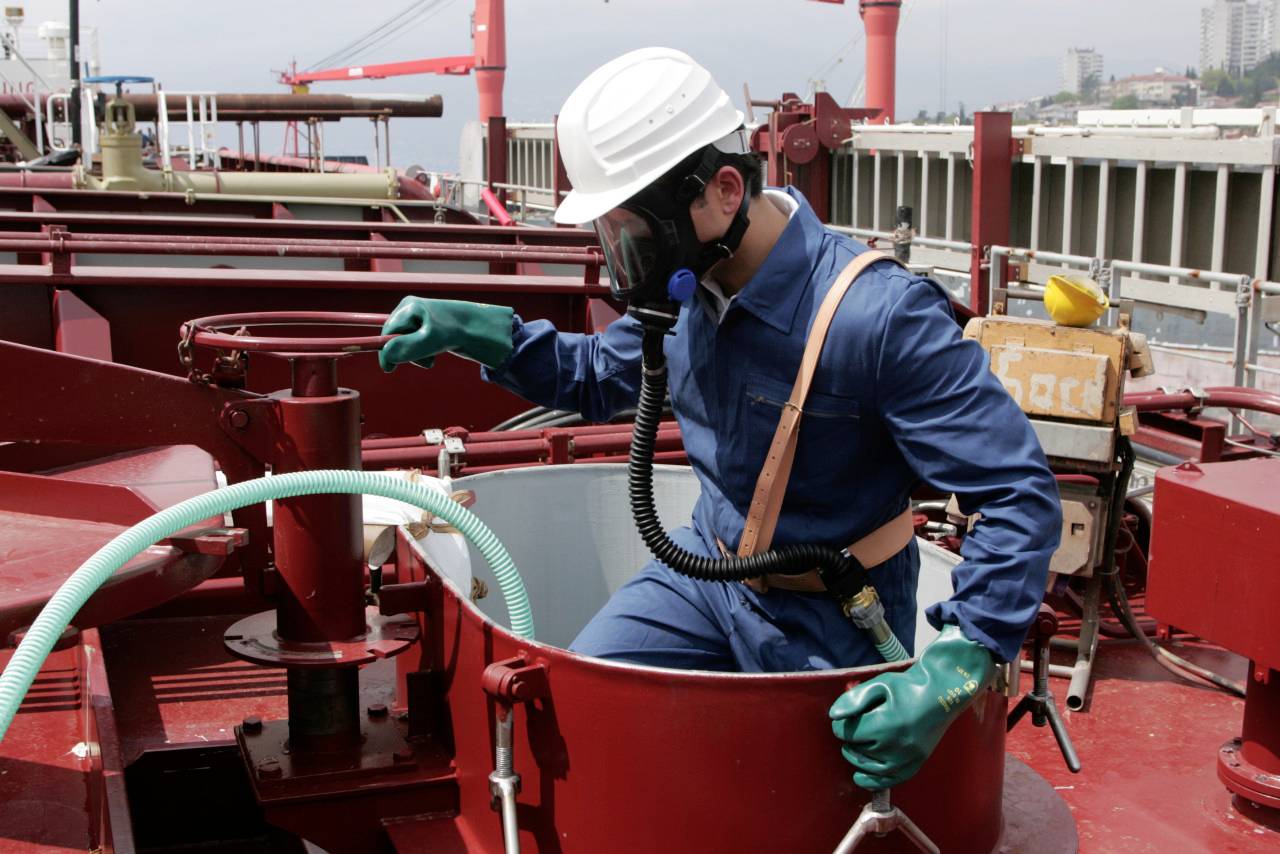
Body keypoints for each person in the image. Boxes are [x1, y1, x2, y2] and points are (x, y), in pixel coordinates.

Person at [378, 47, 1062, 790]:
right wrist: (490, 336)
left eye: (636, 234)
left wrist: (961, 658)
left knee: (815, 806)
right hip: (707, 574)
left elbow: (1017, 493)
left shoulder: (879, 317)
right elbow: (603, 376)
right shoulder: (691, 287)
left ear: (724, 191)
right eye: (614, 236)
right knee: (583, 705)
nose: (627, 262)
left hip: (836, 607)